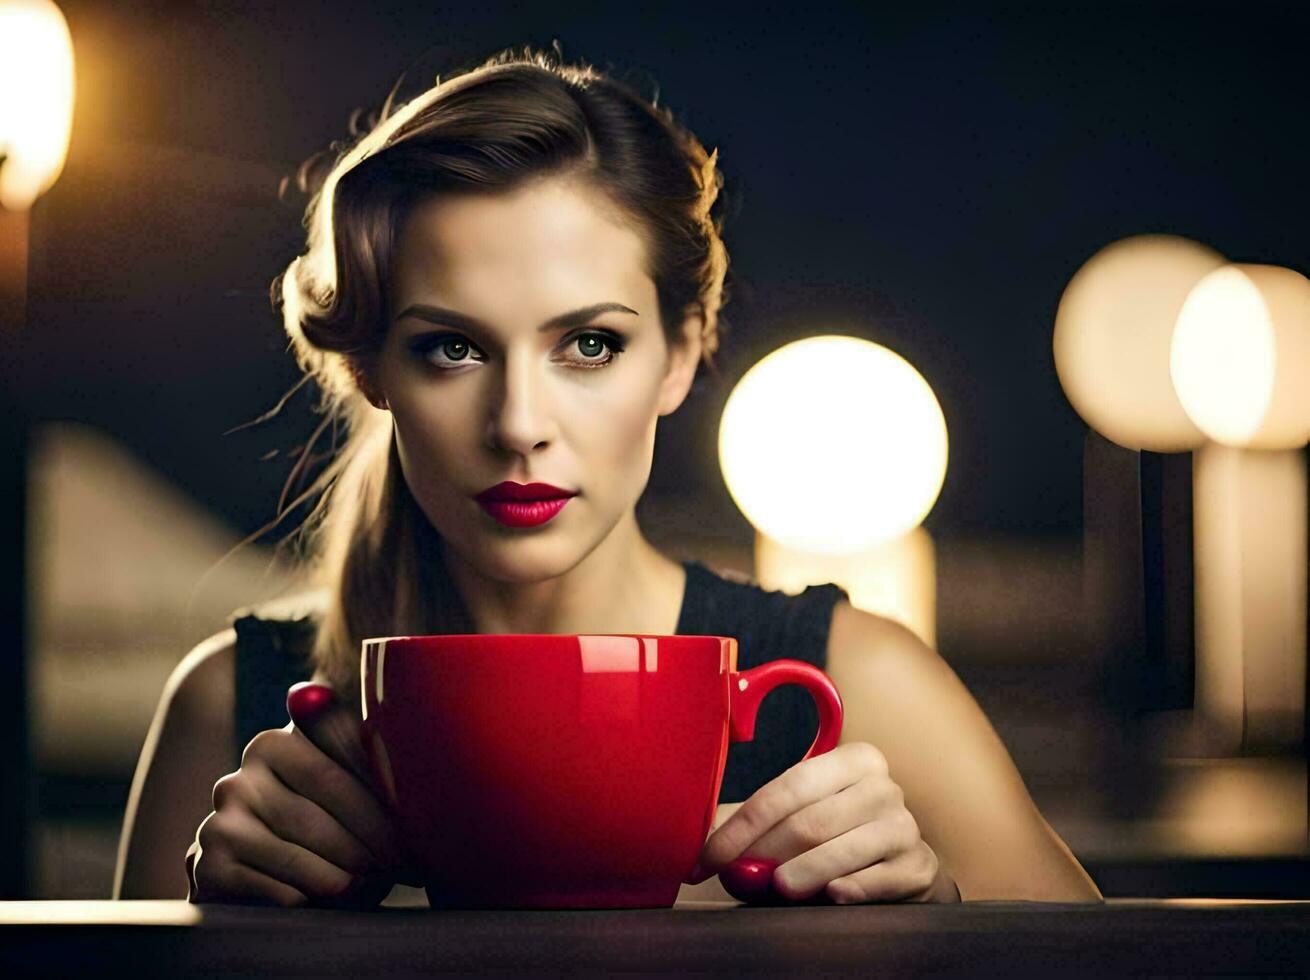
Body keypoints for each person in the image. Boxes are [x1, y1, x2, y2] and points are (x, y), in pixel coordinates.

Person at [112, 45, 1103, 908]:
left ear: (683, 351)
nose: (519, 425)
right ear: (370, 370)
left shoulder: (863, 687)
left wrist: (940, 918)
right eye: (452, 348)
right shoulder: (232, 711)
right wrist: (219, 931)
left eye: (588, 342)